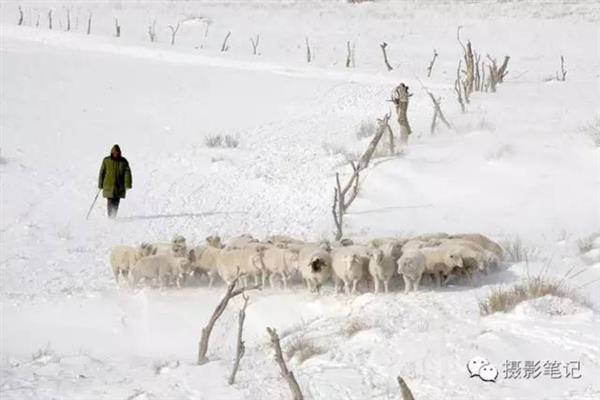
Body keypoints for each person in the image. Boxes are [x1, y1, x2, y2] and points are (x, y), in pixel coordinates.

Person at [98, 144, 132, 218]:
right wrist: (100, 184)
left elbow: (127, 173)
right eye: (115, 152)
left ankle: (114, 215)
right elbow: (102, 172)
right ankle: (110, 216)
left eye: (118, 152)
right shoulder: (106, 160)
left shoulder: (123, 161)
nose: (116, 154)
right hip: (108, 186)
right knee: (110, 201)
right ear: (112, 152)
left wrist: (128, 184)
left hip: (119, 186)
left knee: (116, 201)